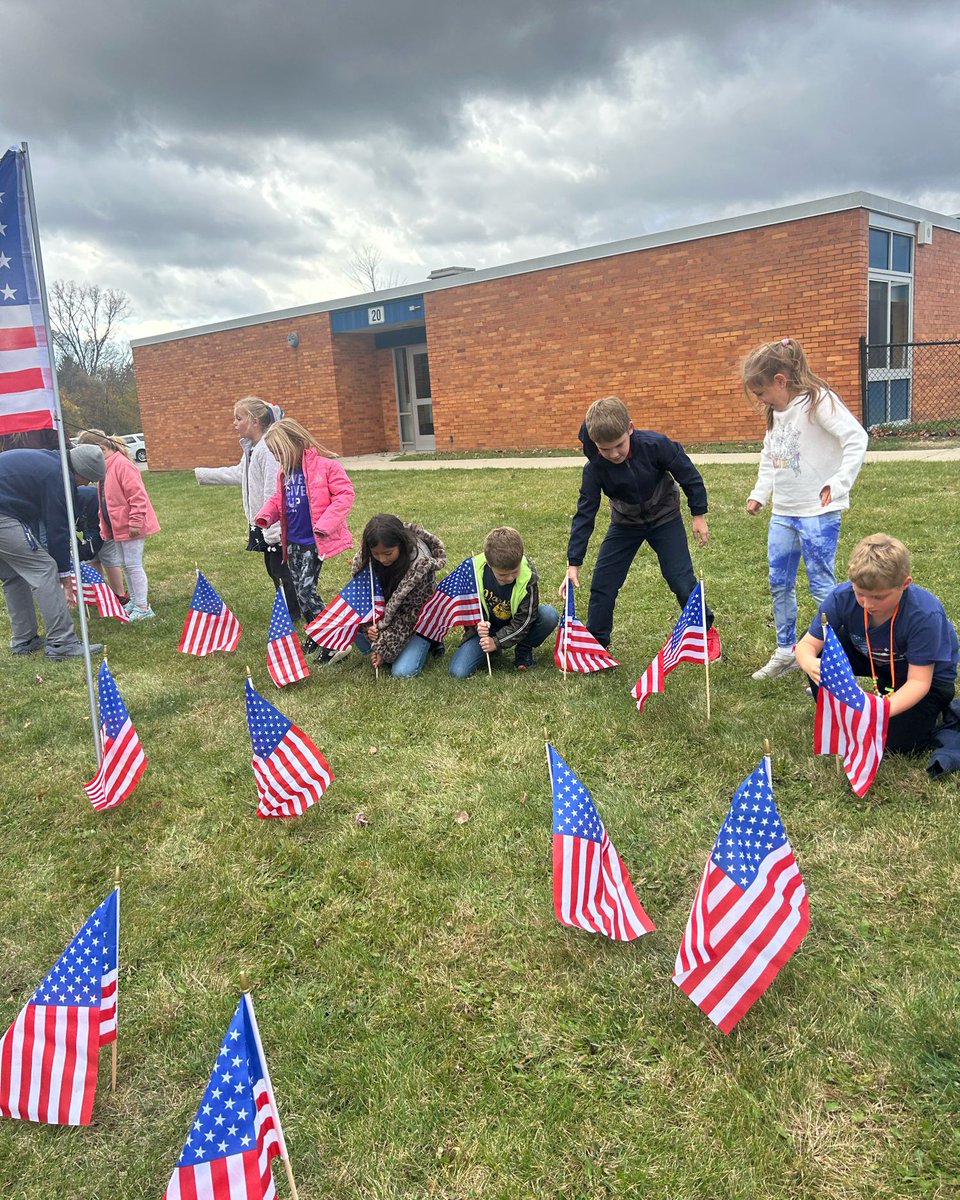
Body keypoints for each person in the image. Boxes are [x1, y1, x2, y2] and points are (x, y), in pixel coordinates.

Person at [744, 337, 868, 680]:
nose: (761, 400)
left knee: (821, 585)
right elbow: (770, 458)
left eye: (762, 392)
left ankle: (833, 654)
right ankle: (786, 650)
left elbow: (856, 438)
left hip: (818, 513)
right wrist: (760, 494)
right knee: (779, 581)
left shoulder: (819, 402)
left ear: (780, 380)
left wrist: (839, 482)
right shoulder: (776, 414)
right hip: (783, 514)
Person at [564, 395, 720, 656]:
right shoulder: (594, 468)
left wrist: (698, 514)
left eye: (619, 445)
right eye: (605, 449)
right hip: (625, 524)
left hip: (665, 518)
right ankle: (598, 645)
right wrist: (573, 563)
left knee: (680, 579)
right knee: (603, 584)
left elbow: (688, 475)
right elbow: (585, 514)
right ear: (594, 444)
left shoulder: (655, 444)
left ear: (630, 429)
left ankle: (705, 631)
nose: (613, 454)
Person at [794, 534, 958, 755]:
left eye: (879, 597)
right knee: (824, 647)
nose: (867, 604)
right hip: (874, 659)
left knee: (898, 745)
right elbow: (806, 645)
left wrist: (878, 710)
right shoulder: (841, 597)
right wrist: (809, 662)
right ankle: (837, 713)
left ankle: (907, 712)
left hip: (926, 679)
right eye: (860, 594)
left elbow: (919, 682)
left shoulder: (924, 615)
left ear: (905, 584)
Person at [253, 418, 355, 655]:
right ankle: (316, 633)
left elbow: (344, 496)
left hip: (314, 542)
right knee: (300, 593)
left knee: (307, 591)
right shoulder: (284, 472)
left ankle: (333, 641)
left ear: (295, 443)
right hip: (293, 542)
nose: (276, 458)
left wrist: (325, 524)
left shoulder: (327, 467)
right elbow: (278, 500)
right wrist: (266, 516)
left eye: (278, 452)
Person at [195, 396, 300, 619]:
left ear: (254, 421)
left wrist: (272, 530)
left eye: (238, 418)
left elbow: (273, 491)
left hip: (274, 525)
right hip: (262, 524)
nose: (234, 423)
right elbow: (240, 474)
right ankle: (287, 605)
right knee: (272, 568)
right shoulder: (252, 449)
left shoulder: (267, 450)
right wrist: (203, 474)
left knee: (281, 569)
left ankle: (293, 611)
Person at [0, 444, 106, 658]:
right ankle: (62, 642)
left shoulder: (51, 461)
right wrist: (64, 573)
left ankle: (24, 639)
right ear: (81, 472)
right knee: (44, 569)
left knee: (14, 575)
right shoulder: (57, 476)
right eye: (88, 479)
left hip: (7, 510)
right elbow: (56, 526)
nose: (86, 484)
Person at [449, 526, 558, 677]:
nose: (509, 578)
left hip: (516, 625)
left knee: (548, 615)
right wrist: (476, 625)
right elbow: (465, 606)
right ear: (489, 563)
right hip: (485, 629)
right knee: (458, 672)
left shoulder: (528, 576)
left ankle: (523, 649)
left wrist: (498, 641)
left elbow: (525, 620)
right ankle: (492, 650)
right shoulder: (473, 570)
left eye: (514, 572)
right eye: (502, 575)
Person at [76, 430, 161, 620]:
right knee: (125, 565)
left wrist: (136, 521)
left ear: (101, 449)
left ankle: (143, 606)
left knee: (133, 566)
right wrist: (105, 528)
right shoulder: (104, 470)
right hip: (118, 528)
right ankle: (135, 602)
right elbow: (104, 501)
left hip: (132, 527)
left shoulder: (123, 466)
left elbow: (137, 496)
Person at [352, 513, 445, 677]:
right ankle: (380, 649)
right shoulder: (365, 561)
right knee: (348, 625)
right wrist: (369, 627)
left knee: (402, 671)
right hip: (382, 618)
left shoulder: (420, 566)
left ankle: (430, 641)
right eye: (376, 554)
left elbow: (411, 615)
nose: (382, 559)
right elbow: (362, 599)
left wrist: (383, 645)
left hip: (415, 623)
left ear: (401, 545)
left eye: (388, 553)